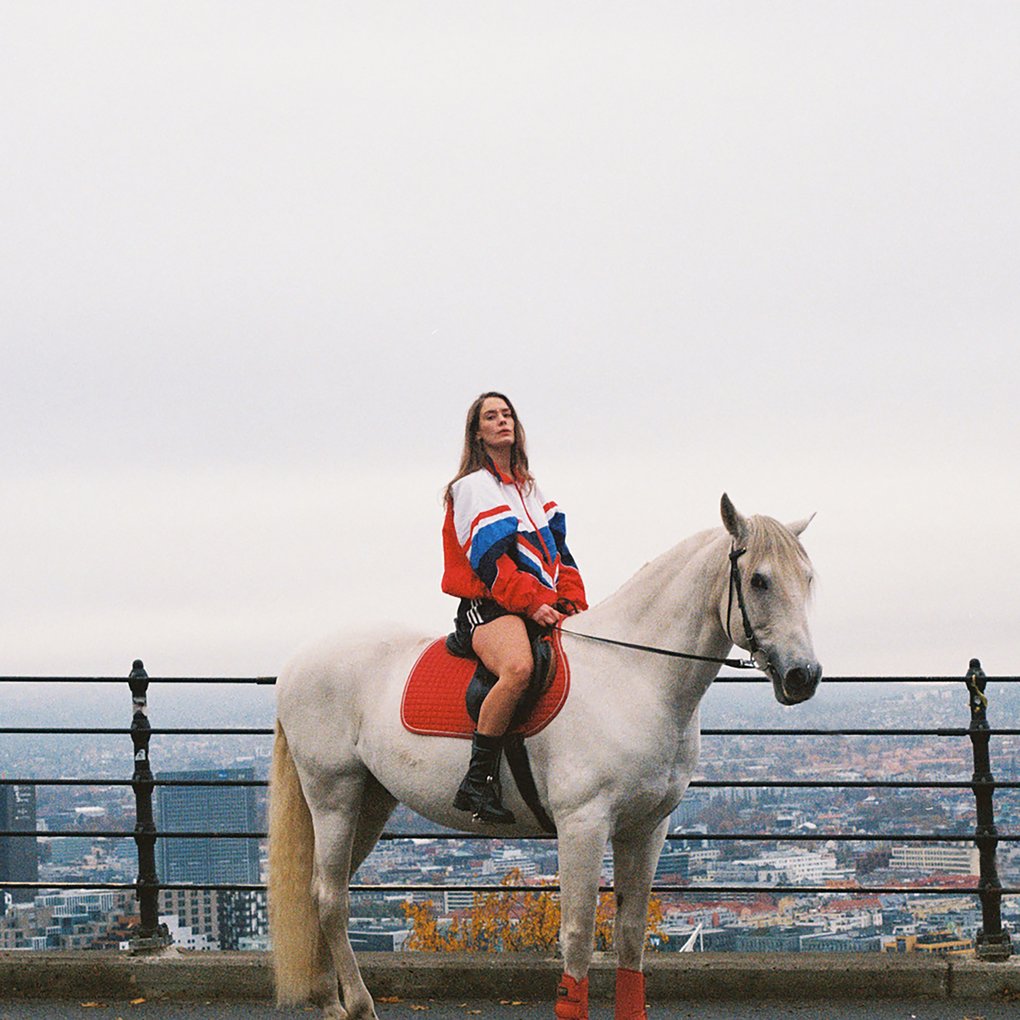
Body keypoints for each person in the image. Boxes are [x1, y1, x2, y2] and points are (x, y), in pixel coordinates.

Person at [442, 391, 587, 823]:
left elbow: (561, 555)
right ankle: (477, 780)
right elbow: (491, 564)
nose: (502, 421)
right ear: (478, 432)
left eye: (507, 414)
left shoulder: (530, 489)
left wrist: (573, 603)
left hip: (533, 604)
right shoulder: (470, 488)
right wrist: (534, 604)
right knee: (519, 667)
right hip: (487, 607)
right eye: (491, 416)